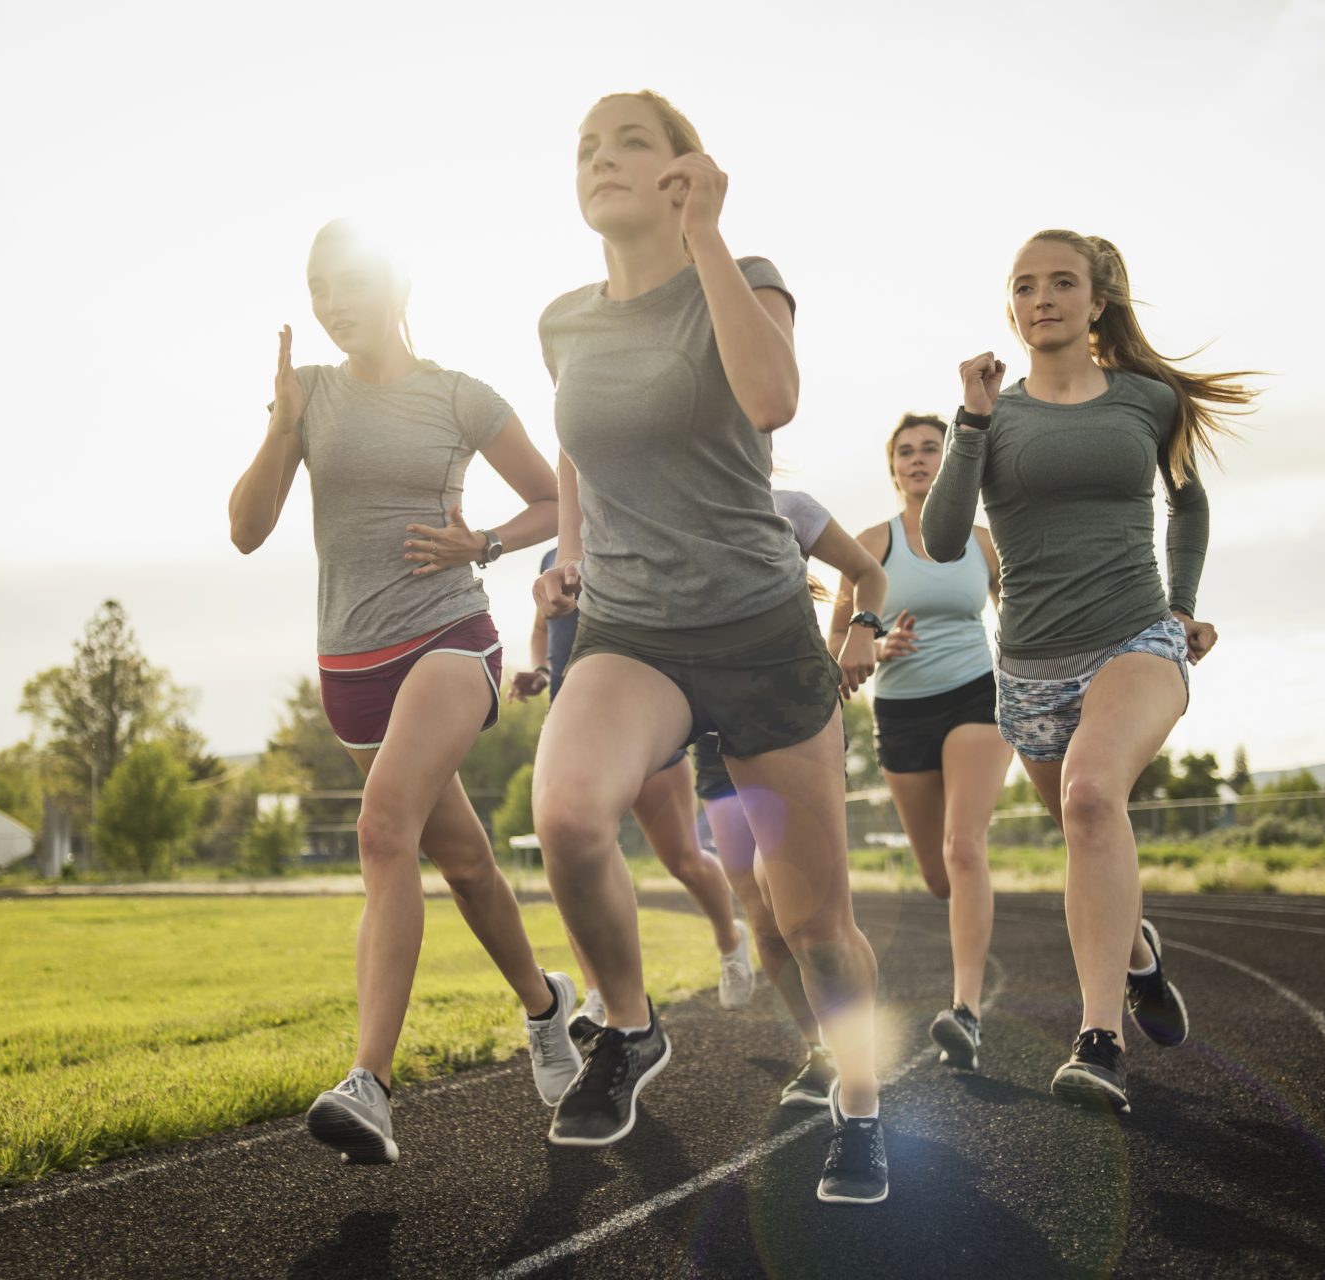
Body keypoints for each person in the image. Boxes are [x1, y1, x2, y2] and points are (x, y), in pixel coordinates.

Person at [530, 90, 888, 1203]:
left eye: (628, 140)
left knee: (813, 922)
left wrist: (708, 237)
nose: (600, 159)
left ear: (686, 166)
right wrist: (570, 555)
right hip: (634, 629)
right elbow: (579, 449)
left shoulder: (744, 269)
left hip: (762, 634)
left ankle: (861, 1104)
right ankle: (629, 1026)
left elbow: (774, 397)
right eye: (585, 147)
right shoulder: (564, 321)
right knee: (566, 810)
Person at [228, 219, 581, 1164]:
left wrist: (487, 544)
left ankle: (371, 1085)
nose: (334, 304)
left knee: (383, 829)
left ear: (393, 285)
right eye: (319, 290)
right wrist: (282, 429)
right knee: (463, 863)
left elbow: (555, 499)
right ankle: (547, 1009)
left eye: (348, 283)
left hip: (449, 640)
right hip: (348, 667)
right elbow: (247, 530)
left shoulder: (460, 396)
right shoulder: (308, 395)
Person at [921, 230, 1254, 1114]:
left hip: (1135, 638)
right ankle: (1137, 954)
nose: (1044, 299)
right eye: (1025, 286)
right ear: (1012, 309)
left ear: (1095, 300)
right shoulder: (994, 417)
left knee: (1091, 797)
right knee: (1086, 832)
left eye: (1062, 283)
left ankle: (1098, 1042)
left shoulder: (1148, 401)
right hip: (1029, 669)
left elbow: (1189, 502)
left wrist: (1181, 608)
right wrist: (971, 419)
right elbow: (946, 540)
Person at [691, 487, 888, 1108]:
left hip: (787, 725)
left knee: (812, 919)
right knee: (764, 919)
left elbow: (868, 573)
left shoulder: (787, 507)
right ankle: (818, 1052)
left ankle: (862, 1075)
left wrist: (862, 630)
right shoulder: (666, 513)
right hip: (713, 741)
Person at [832, 414, 1013, 1074]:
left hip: (977, 697)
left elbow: (1019, 619)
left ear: (951, 462)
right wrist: (877, 645)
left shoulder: (986, 543)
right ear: (892, 469)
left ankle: (965, 1010)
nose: (918, 460)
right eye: (905, 452)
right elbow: (837, 647)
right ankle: (966, 983)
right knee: (939, 876)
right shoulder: (871, 545)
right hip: (902, 713)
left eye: (930, 450)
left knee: (964, 846)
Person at [510, 544, 757, 1019]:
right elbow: (544, 627)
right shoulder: (550, 559)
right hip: (573, 727)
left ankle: (730, 938)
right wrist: (542, 671)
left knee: (683, 858)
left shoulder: (633, 538)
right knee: (575, 856)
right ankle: (600, 991)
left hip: (642, 723)